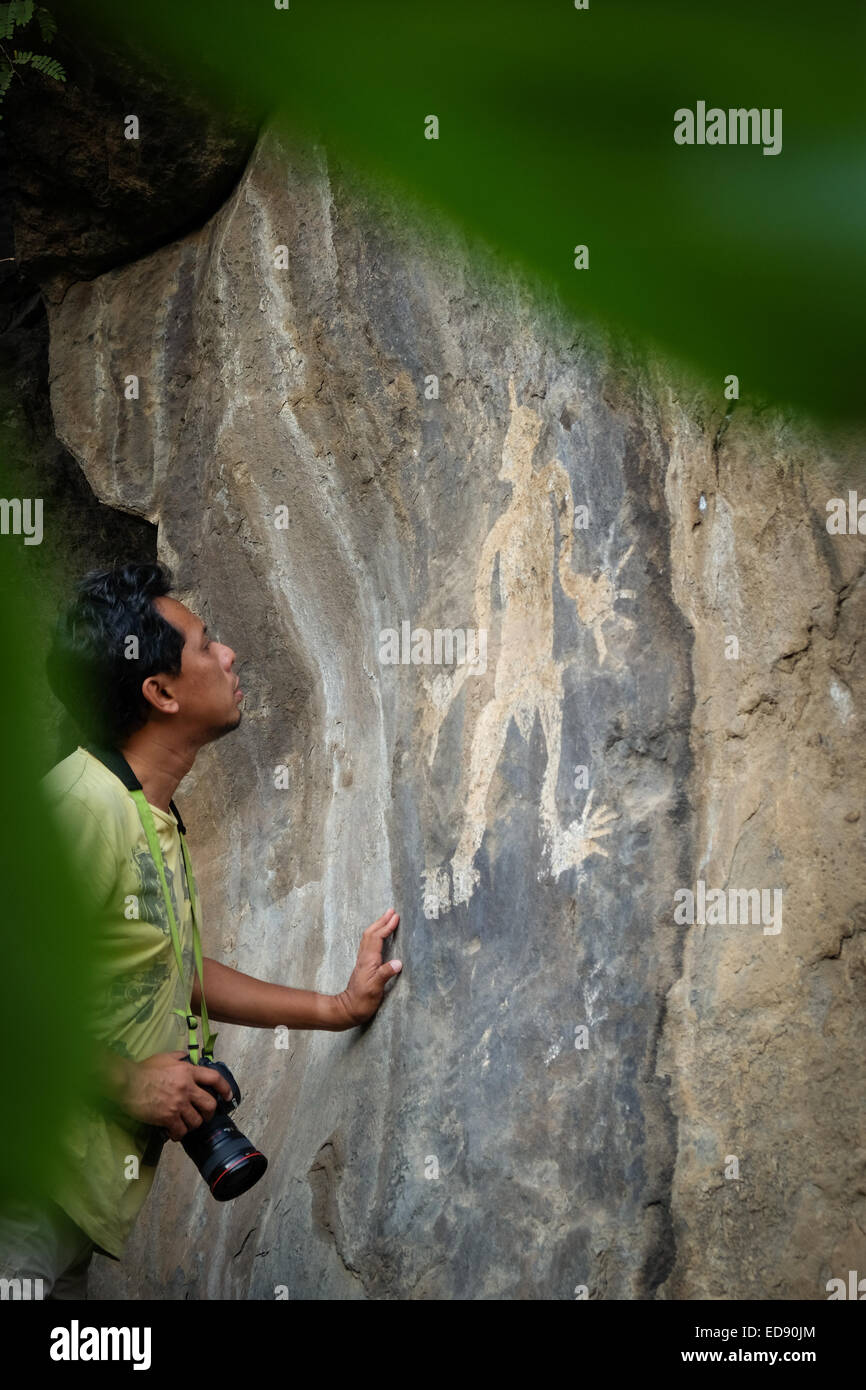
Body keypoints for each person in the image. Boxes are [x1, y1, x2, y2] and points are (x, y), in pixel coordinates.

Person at [0, 560, 401, 1299]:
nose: (230, 655)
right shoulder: (80, 809)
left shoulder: (147, 815)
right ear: (159, 691)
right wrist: (128, 1081)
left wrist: (336, 1009)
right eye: (206, 644)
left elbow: (176, 971)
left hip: (69, 1209)